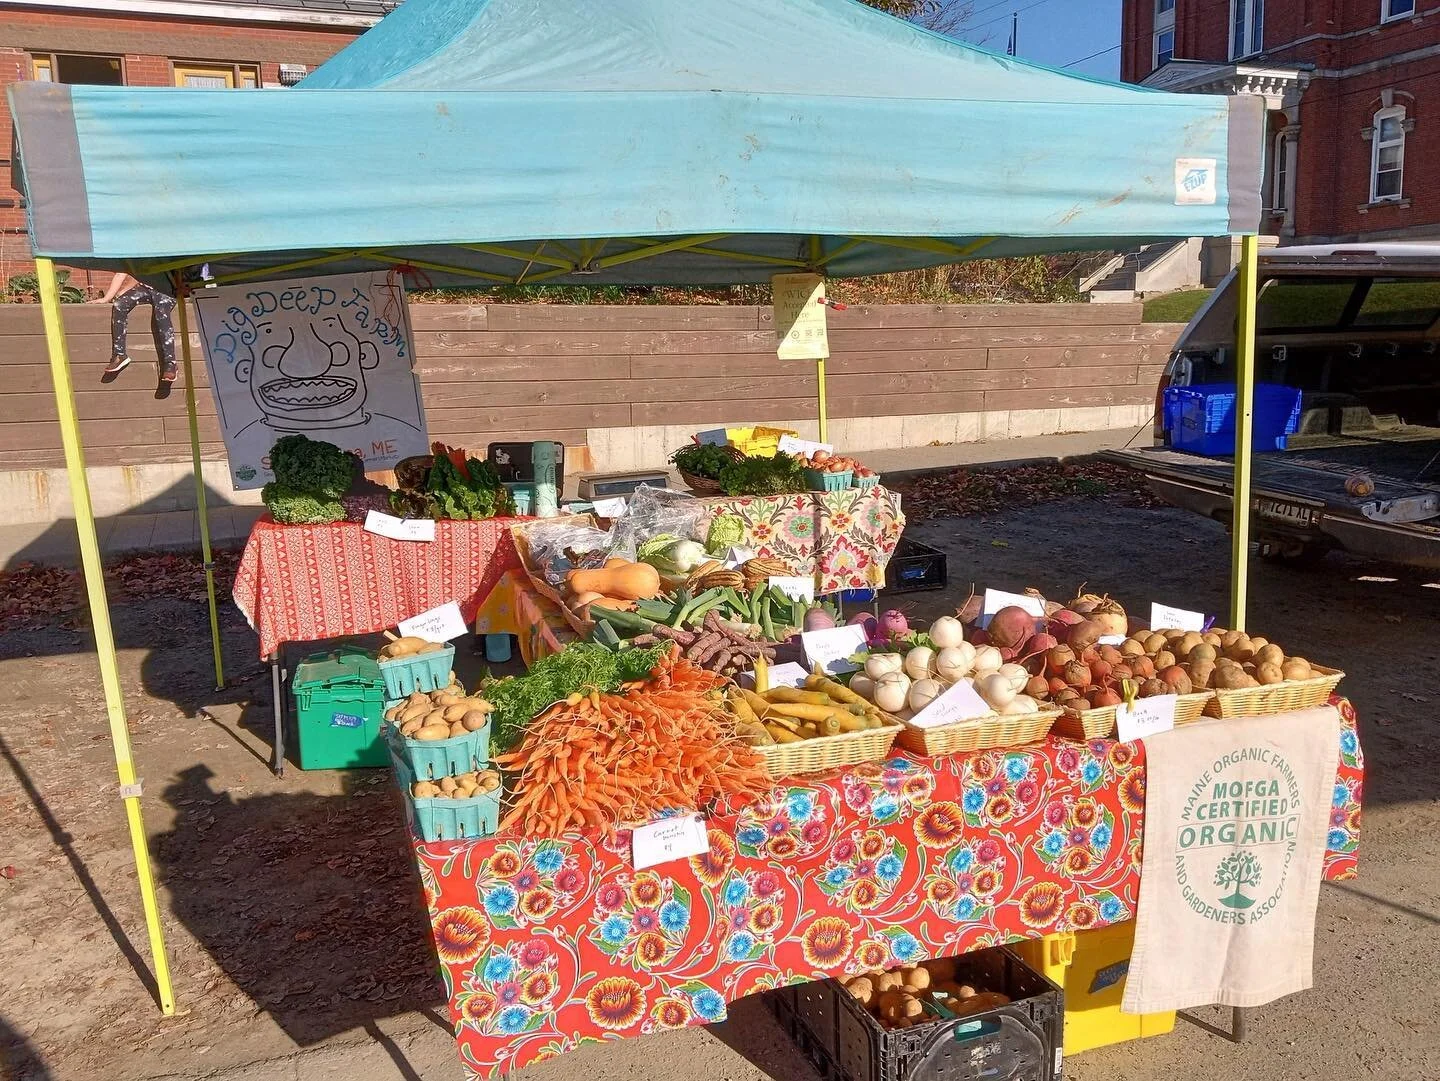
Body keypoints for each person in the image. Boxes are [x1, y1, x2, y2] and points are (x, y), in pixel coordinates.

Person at [101, 272, 178, 392]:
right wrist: (107, 298)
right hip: (146, 288)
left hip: (166, 289)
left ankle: (170, 363)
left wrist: (123, 290)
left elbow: (136, 275)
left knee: (161, 311)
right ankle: (119, 355)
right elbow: (122, 273)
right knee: (119, 304)